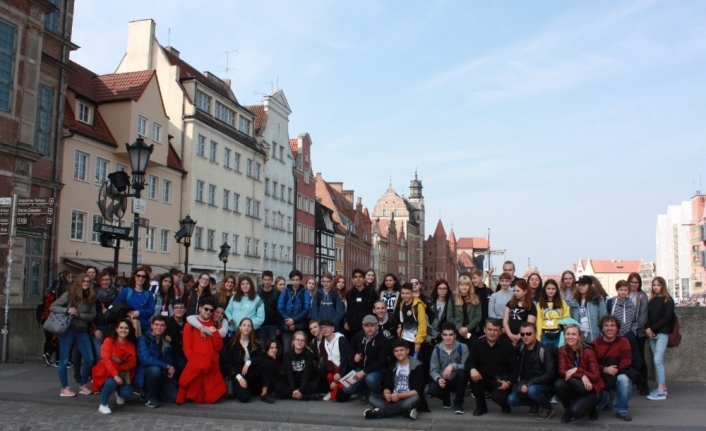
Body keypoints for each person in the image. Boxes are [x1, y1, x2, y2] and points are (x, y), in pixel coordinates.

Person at [50, 272, 97, 397]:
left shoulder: (91, 297)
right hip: (68, 330)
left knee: (89, 358)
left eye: (88, 282)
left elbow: (92, 315)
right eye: (84, 281)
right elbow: (53, 307)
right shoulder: (70, 295)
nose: (86, 283)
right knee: (64, 360)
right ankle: (64, 387)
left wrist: (79, 315)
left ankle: (82, 385)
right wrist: (67, 310)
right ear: (79, 283)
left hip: (82, 331)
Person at [177, 298, 227, 404]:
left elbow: (218, 348)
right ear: (200, 308)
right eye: (206, 309)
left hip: (211, 366)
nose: (208, 312)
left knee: (210, 398)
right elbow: (187, 348)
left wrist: (215, 333)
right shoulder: (189, 325)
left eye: (211, 310)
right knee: (190, 393)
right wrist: (197, 363)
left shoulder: (216, 324)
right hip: (196, 365)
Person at [364, 339, 426, 420]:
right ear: (393, 353)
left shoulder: (417, 366)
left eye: (401, 350)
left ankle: (380, 413)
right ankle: (405, 412)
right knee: (372, 397)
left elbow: (417, 390)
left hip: (408, 397)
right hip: (394, 398)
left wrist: (400, 396)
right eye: (396, 351)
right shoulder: (393, 365)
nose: (399, 353)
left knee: (416, 398)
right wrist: (387, 393)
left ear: (407, 351)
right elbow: (387, 384)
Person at [467, 319, 519, 416]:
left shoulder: (507, 346)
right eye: (489, 329)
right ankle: (481, 407)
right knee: (474, 376)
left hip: (502, 380)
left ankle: (505, 404)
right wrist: (472, 369)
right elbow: (469, 362)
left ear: (500, 331)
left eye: (495, 330)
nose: (492, 333)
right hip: (484, 378)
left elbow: (516, 368)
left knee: (499, 397)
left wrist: (509, 382)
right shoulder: (477, 344)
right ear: (484, 330)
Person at [507, 322, 557, 421]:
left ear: (536, 334)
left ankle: (547, 407)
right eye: (522, 334)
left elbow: (550, 374)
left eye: (529, 333)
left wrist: (530, 384)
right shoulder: (521, 348)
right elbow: (507, 353)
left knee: (532, 390)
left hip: (545, 385)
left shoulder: (544, 350)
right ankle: (535, 403)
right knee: (511, 400)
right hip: (526, 384)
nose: (525, 336)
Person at [554, 323, 603, 423]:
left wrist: (577, 370)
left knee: (576, 412)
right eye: (568, 334)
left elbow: (596, 377)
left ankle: (591, 407)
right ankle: (568, 410)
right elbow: (562, 371)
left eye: (573, 334)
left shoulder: (588, 351)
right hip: (576, 384)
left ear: (579, 336)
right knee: (558, 384)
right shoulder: (562, 350)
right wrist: (582, 375)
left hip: (592, 389)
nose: (570, 337)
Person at [222, 317, 275, 403]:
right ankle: (246, 389)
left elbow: (262, 357)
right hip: (238, 374)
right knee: (245, 398)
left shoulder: (255, 343)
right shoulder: (232, 344)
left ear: (251, 329)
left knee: (267, 363)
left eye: (249, 326)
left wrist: (249, 362)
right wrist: (239, 377)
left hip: (251, 372)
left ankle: (264, 394)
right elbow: (227, 364)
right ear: (240, 327)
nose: (246, 328)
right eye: (244, 325)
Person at [91, 318, 137, 414]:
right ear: (116, 329)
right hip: (106, 372)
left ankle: (117, 391)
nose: (123, 330)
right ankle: (103, 404)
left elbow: (133, 361)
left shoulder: (130, 344)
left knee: (128, 394)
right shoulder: (109, 341)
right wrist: (115, 375)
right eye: (121, 327)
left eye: (126, 328)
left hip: (122, 374)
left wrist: (120, 370)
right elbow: (105, 359)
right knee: (111, 382)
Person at [339, 315, 390, 402]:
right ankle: (364, 391)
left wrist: (364, 372)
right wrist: (354, 355)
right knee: (347, 389)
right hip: (361, 368)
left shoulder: (383, 340)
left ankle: (376, 392)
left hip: (377, 370)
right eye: (366, 326)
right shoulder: (359, 335)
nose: (369, 328)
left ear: (377, 326)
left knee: (370, 379)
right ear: (363, 327)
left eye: (372, 325)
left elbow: (381, 362)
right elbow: (350, 348)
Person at [592, 315, 634, 421]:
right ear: (602, 328)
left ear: (617, 328)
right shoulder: (595, 343)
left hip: (618, 371)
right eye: (606, 325)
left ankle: (621, 410)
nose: (609, 328)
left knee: (625, 379)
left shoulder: (624, 341)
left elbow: (626, 361)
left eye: (612, 325)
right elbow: (591, 363)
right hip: (600, 373)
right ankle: (605, 399)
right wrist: (605, 369)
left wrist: (613, 370)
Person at [428, 322, 469, 414]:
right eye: (445, 335)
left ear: (455, 335)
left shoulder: (463, 347)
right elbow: (433, 370)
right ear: (441, 335)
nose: (448, 338)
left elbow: (466, 366)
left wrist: (453, 366)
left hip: (457, 380)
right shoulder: (437, 350)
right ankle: (446, 399)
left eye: (451, 334)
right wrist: (438, 379)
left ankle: (458, 403)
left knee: (462, 373)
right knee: (432, 389)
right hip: (444, 379)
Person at [135, 315, 176, 407]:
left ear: (165, 327)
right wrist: (166, 366)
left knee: (172, 397)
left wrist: (171, 368)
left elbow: (168, 359)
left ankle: (150, 392)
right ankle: (149, 397)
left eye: (162, 325)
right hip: (146, 372)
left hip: (161, 373)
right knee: (155, 369)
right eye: (156, 325)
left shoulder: (165, 340)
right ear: (152, 325)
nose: (159, 327)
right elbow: (146, 359)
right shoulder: (143, 339)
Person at [645, 276, 674, 401]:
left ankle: (661, 391)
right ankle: (662, 387)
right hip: (652, 334)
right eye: (654, 285)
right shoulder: (652, 300)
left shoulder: (668, 300)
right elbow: (647, 316)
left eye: (658, 285)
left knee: (657, 360)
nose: (656, 287)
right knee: (658, 361)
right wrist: (648, 329)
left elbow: (667, 318)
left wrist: (652, 329)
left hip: (662, 333)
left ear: (663, 286)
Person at [273, 331, 320, 400]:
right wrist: (293, 389)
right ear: (293, 342)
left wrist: (301, 390)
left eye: (302, 340)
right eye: (298, 340)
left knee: (316, 384)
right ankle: (298, 395)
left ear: (305, 343)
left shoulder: (309, 354)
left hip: (305, 382)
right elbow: (289, 374)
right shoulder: (287, 355)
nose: (300, 342)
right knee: (276, 385)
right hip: (292, 382)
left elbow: (306, 374)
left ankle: (295, 395)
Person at [40, 271, 73, 367]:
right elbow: (51, 307)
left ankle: (48, 355)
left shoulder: (51, 294)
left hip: (48, 319)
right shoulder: (53, 295)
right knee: (54, 339)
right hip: (52, 319)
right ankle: (49, 355)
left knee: (52, 339)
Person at [114, 267, 156, 334]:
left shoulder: (149, 294)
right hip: (128, 327)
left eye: (143, 276)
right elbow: (116, 306)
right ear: (134, 276)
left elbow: (151, 310)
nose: (140, 278)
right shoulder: (126, 291)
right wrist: (126, 313)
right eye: (138, 276)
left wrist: (139, 313)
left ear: (146, 279)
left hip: (144, 327)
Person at [627, 272, 650, 395]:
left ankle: (644, 384)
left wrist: (634, 329)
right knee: (628, 359)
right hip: (625, 332)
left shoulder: (642, 296)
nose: (634, 284)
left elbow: (643, 316)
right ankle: (634, 382)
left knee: (640, 358)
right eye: (632, 282)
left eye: (636, 282)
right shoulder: (625, 294)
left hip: (638, 332)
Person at [277, 270, 311, 352]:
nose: (295, 282)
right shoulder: (285, 292)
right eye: (293, 280)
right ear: (290, 280)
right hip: (286, 325)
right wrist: (289, 321)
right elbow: (280, 308)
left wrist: (294, 320)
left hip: (300, 325)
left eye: (297, 280)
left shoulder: (305, 293)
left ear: (300, 280)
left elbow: (306, 309)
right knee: (287, 349)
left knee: (300, 348)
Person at [316, 320, 349, 401]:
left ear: (333, 328)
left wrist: (339, 375)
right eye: (322, 328)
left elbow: (345, 360)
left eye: (327, 327)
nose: (324, 330)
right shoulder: (322, 344)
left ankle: (344, 388)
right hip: (333, 371)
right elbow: (327, 361)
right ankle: (330, 389)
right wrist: (335, 374)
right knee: (322, 364)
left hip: (344, 370)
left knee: (341, 398)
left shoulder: (341, 340)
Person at [568, 276, 607, 343]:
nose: (580, 287)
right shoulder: (574, 301)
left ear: (589, 285)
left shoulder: (597, 299)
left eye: (583, 285)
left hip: (593, 333)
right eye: (579, 285)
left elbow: (603, 317)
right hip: (578, 333)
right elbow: (571, 317)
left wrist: (602, 333)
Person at [446, 274, 480, 348]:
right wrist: (460, 328)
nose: (464, 287)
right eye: (462, 285)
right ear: (458, 286)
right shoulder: (453, 298)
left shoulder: (476, 298)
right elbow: (449, 317)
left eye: (467, 285)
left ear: (470, 286)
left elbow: (478, 316)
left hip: (472, 331)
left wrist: (467, 328)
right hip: (457, 332)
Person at [393, 282, 427, 356]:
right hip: (404, 338)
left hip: (415, 340)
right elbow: (402, 320)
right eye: (403, 293)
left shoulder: (418, 306)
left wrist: (418, 342)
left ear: (412, 293)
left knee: (414, 362)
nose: (405, 296)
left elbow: (422, 324)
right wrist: (400, 327)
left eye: (407, 293)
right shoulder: (402, 304)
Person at [536, 279, 570, 348]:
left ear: (556, 290)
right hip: (545, 335)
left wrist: (564, 330)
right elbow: (539, 321)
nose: (551, 291)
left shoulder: (562, 303)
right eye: (548, 288)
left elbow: (566, 318)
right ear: (544, 290)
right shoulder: (540, 304)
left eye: (553, 289)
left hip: (559, 335)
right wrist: (538, 337)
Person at [93, 270, 119, 359]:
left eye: (107, 279)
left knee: (110, 355)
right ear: (99, 281)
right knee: (99, 355)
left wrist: (109, 311)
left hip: (111, 327)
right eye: (103, 280)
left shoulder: (116, 293)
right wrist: (94, 329)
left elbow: (118, 310)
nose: (105, 282)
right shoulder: (93, 294)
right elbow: (91, 314)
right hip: (98, 328)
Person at [345, 269, 378, 338]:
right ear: (353, 280)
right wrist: (345, 321)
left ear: (364, 279)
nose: (358, 279)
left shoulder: (371, 293)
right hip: (352, 329)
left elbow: (376, 309)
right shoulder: (349, 294)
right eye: (356, 277)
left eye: (360, 277)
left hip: (367, 328)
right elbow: (347, 310)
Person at [503, 279, 537, 345]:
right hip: (508, 336)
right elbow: (505, 321)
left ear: (525, 291)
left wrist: (518, 337)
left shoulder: (531, 306)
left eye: (518, 291)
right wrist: (510, 335)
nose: (515, 293)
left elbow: (529, 324)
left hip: (523, 337)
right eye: (514, 291)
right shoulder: (510, 303)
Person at [165, 297, 187, 379]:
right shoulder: (167, 323)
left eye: (181, 307)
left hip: (186, 353)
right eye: (176, 307)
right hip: (172, 354)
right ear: (172, 310)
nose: (179, 310)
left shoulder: (188, 323)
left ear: (185, 310)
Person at [257, 270, 279, 343]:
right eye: (265, 280)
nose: (267, 282)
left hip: (273, 325)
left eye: (269, 280)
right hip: (261, 325)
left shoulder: (277, 293)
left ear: (272, 280)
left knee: (273, 346)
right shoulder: (258, 294)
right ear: (262, 280)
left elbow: (278, 311)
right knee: (262, 347)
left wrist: (278, 327)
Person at [427, 278, 451, 344]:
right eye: (440, 288)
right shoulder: (429, 302)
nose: (442, 290)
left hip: (443, 336)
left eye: (444, 288)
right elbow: (426, 319)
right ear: (436, 290)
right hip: (429, 334)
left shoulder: (450, 304)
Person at [470, 268, 492, 334]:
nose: (472, 280)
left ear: (481, 277)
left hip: (486, 323)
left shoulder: (489, 292)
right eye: (472, 278)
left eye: (474, 278)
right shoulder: (471, 292)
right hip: (474, 324)